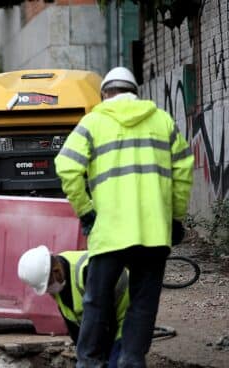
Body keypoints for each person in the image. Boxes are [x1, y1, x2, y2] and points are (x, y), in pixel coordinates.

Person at [54, 66, 194, 367]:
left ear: (105, 93)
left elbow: (66, 166)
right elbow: (183, 171)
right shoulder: (162, 121)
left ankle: (89, 362)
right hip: (153, 232)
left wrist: (86, 212)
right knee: (142, 303)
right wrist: (174, 218)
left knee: (96, 300)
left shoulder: (93, 122)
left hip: (110, 232)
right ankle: (131, 360)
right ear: (135, 92)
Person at [17, 245, 129, 368]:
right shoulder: (60, 283)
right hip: (103, 325)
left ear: (56, 271)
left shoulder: (86, 271)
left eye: (48, 286)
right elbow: (76, 330)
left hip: (127, 319)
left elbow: (105, 321)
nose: (49, 291)